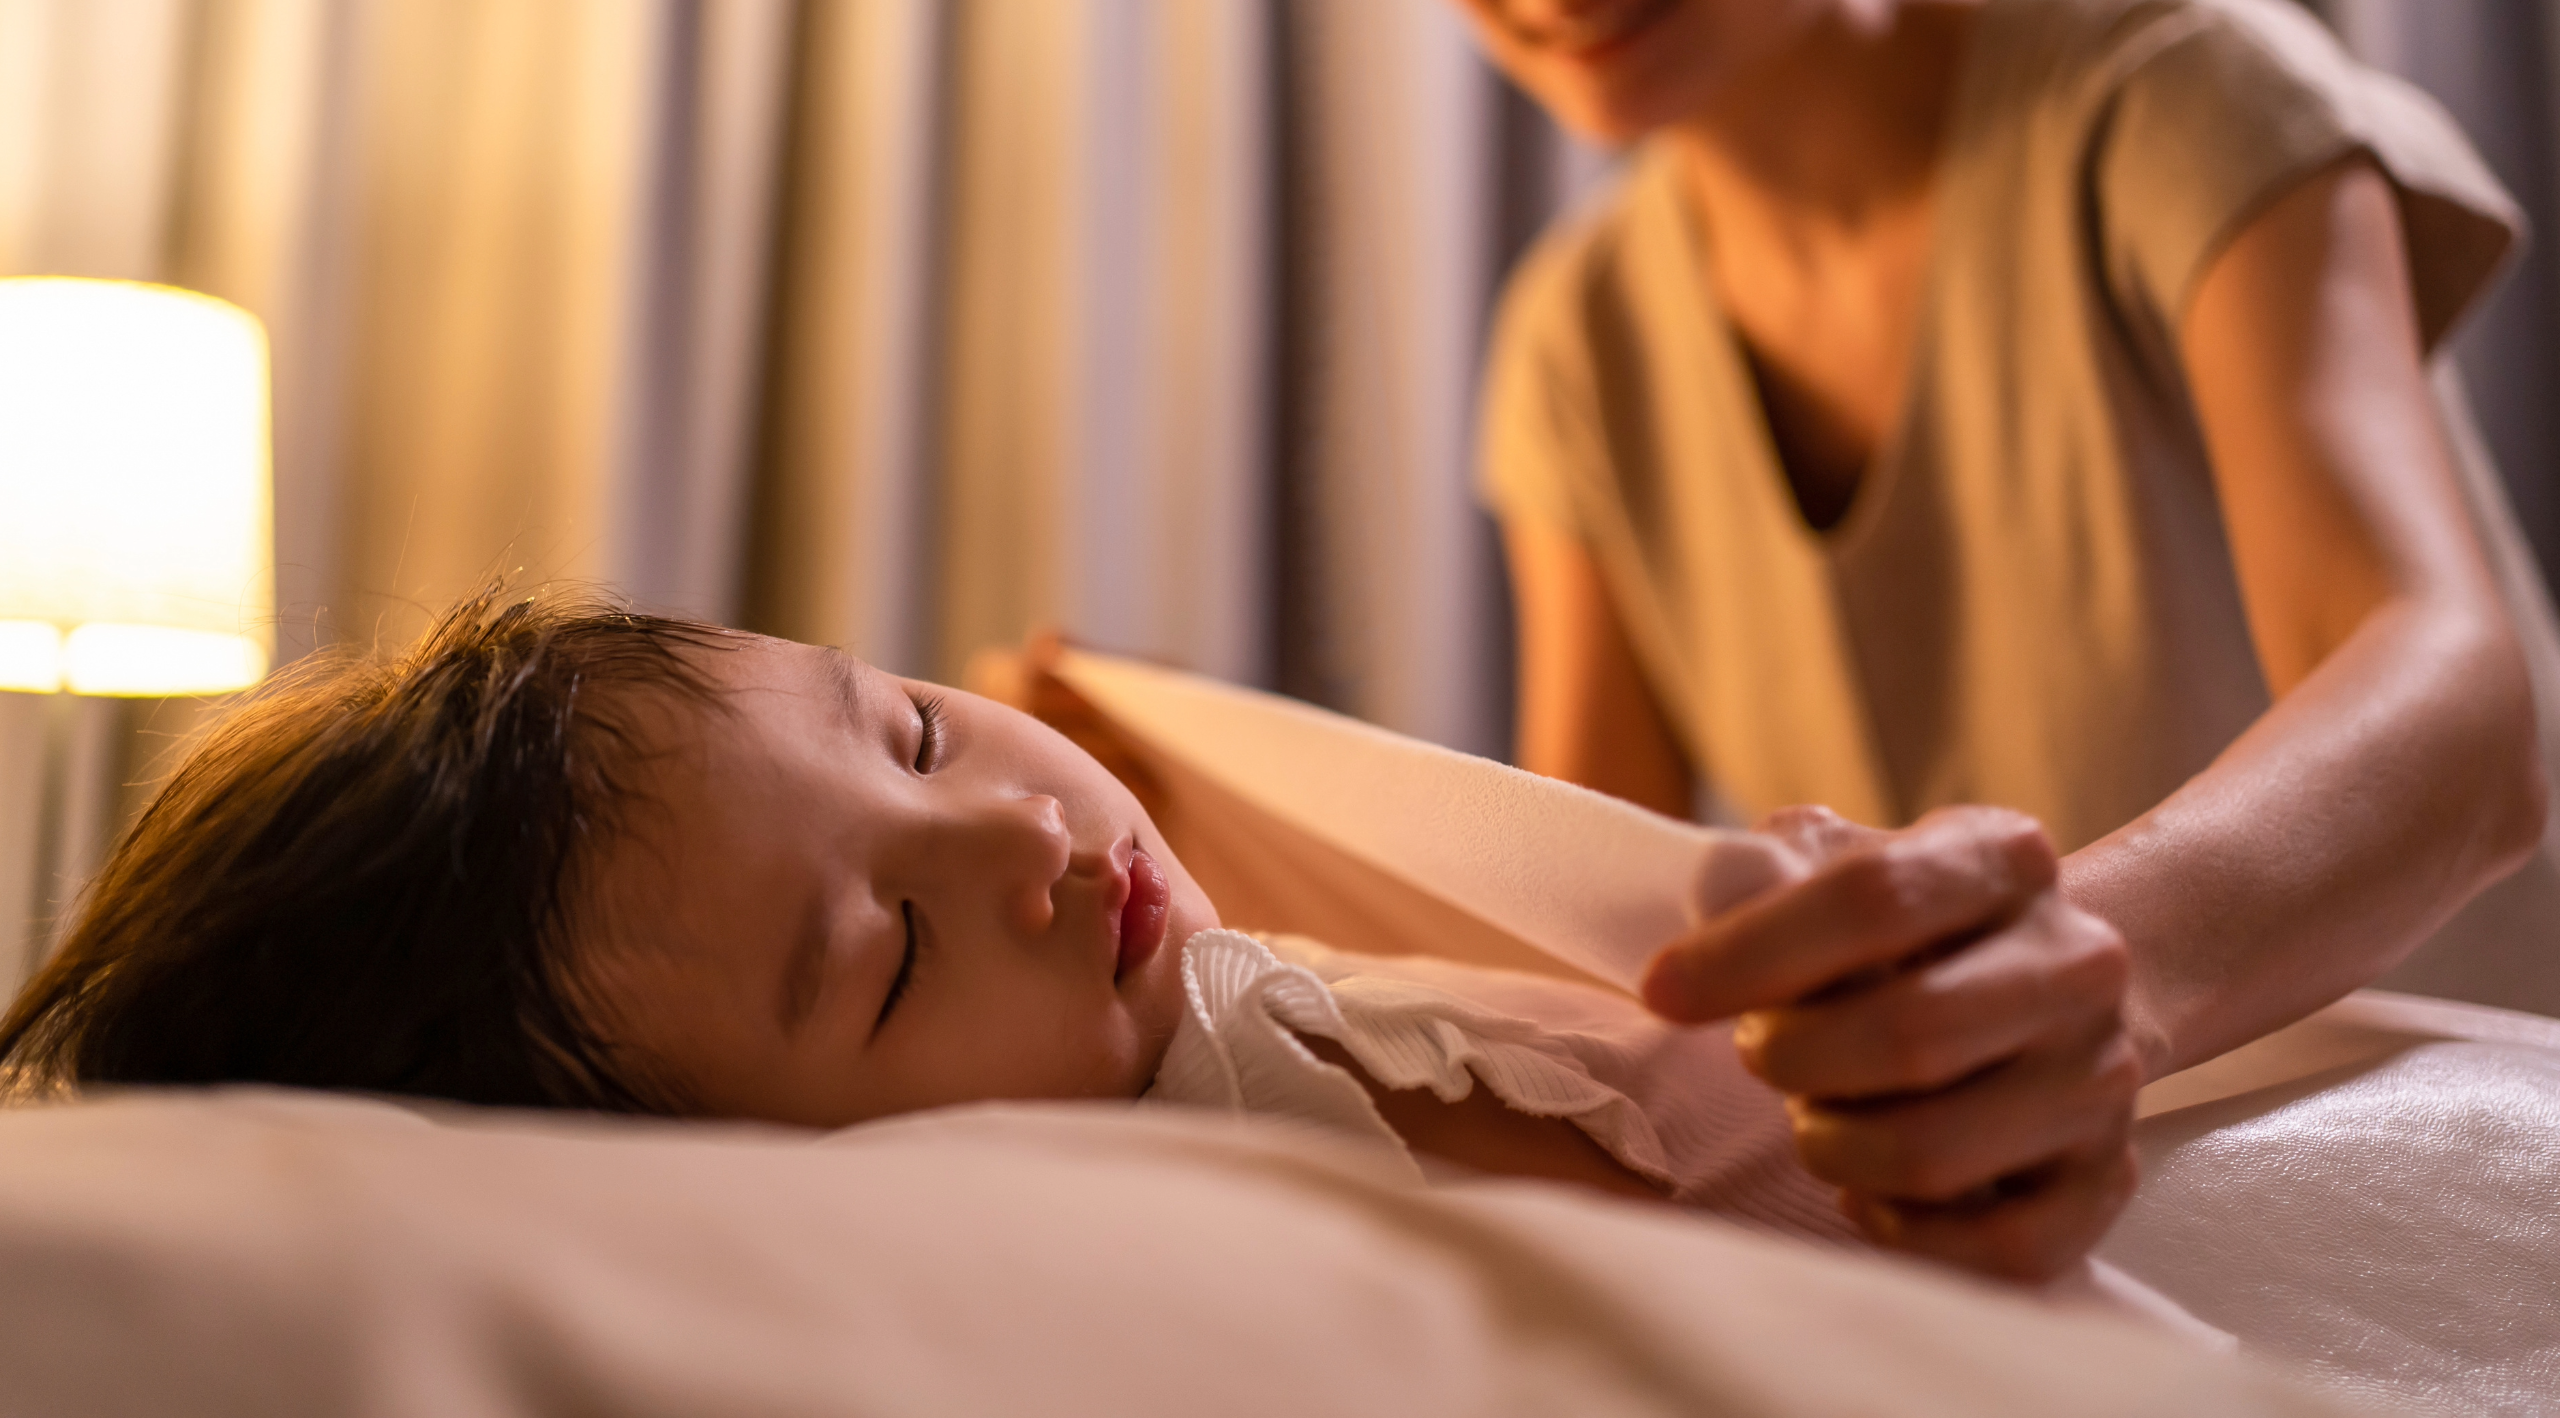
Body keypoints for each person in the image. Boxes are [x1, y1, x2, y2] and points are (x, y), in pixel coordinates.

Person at [1301, 0, 2559, 1284]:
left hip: (2459, 1159)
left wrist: (2090, 970)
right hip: (2058, 1242)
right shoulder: (1575, 345)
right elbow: (1597, 941)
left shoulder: (2174, 98)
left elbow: (2469, 712)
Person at [0, 590, 1891, 1261]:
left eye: (906, 726)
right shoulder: (1240, 1159)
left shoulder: (1186, 1014)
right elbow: (1735, 1301)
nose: (1023, 830)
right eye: (890, 953)